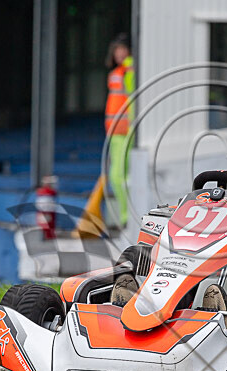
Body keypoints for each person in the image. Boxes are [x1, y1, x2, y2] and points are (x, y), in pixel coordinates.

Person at [104, 33, 135, 226]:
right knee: (118, 176)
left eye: (122, 48)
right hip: (116, 131)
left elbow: (134, 99)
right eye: (117, 49)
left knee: (119, 176)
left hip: (126, 131)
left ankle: (126, 215)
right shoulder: (118, 72)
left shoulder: (128, 71)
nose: (119, 53)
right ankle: (126, 214)